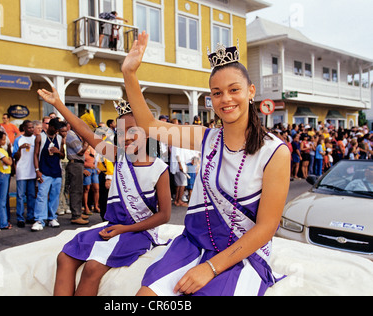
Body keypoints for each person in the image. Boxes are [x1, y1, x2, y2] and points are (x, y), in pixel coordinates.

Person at [122, 33, 290, 296]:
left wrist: (210, 268)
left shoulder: (275, 152)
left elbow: (267, 227)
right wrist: (130, 75)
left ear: (251, 92)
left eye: (234, 89)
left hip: (242, 253)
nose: (226, 99)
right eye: (217, 93)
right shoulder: (206, 138)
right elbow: (150, 127)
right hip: (193, 243)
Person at [37, 89, 171, 296]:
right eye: (121, 132)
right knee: (64, 257)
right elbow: (83, 130)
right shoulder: (118, 157)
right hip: (113, 227)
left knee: (92, 267)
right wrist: (59, 105)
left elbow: (165, 215)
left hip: (139, 232)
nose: (126, 138)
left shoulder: (159, 168)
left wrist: (124, 230)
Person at [32, 118, 64, 231]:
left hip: (56, 171)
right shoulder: (40, 137)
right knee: (42, 195)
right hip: (44, 170)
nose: (56, 131)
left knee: (55, 196)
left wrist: (58, 151)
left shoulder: (60, 138)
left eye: (58, 129)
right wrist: (37, 170)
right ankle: (39, 220)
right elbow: (35, 154)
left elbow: (63, 156)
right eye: (55, 128)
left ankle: (52, 218)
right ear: (49, 126)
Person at [12, 120, 36, 228]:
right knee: (20, 196)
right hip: (22, 170)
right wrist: (20, 149)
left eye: (32, 127)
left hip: (32, 171)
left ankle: (30, 216)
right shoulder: (18, 139)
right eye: (29, 127)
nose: (31, 129)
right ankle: (20, 218)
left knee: (31, 195)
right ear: (24, 128)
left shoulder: (36, 139)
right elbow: (15, 157)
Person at [66, 127, 89, 225]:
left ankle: (78, 212)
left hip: (77, 164)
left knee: (79, 189)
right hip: (75, 163)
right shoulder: (71, 135)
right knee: (76, 190)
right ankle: (76, 215)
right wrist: (86, 142)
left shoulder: (74, 135)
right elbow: (80, 151)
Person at [0, 131, 12, 230]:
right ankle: (2, 222)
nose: (4, 141)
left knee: (3, 199)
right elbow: (8, 161)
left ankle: (3, 220)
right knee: (1, 200)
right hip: (2, 174)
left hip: (6, 174)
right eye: (3, 139)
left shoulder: (1, 149)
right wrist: (10, 160)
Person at [82, 145, 100, 215]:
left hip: (94, 169)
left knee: (96, 188)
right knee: (86, 188)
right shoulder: (83, 147)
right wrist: (83, 169)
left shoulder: (93, 147)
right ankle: (86, 207)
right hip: (87, 169)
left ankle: (96, 206)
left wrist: (98, 167)